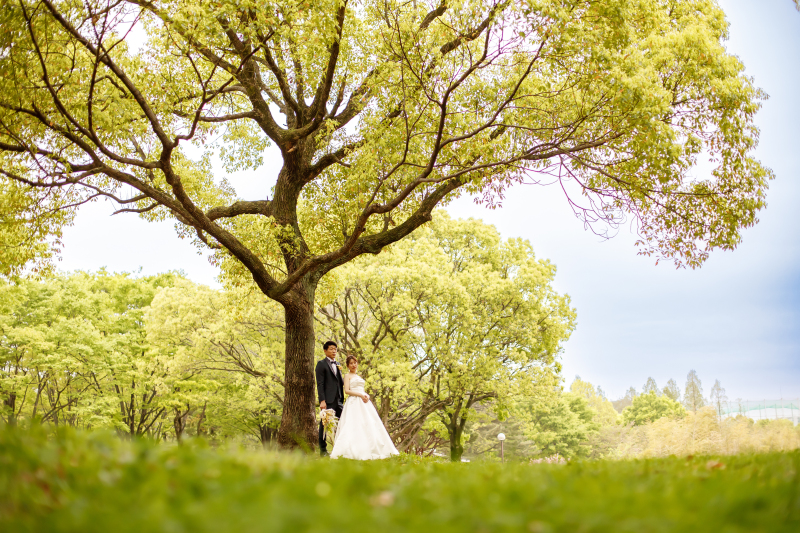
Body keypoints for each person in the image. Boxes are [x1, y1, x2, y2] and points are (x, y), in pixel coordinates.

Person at [330, 355, 399, 460]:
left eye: (355, 363)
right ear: (348, 365)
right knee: (354, 424)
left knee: (369, 424)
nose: (353, 365)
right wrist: (360, 395)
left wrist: (367, 395)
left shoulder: (359, 376)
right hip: (353, 402)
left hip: (364, 401)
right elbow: (347, 391)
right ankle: (352, 450)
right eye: (351, 363)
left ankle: (371, 448)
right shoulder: (347, 376)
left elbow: (361, 389)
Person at [315, 341, 343, 456]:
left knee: (343, 422)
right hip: (327, 400)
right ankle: (323, 450)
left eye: (335, 349)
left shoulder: (338, 364)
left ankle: (341, 448)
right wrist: (322, 400)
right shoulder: (321, 364)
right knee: (324, 425)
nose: (334, 351)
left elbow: (339, 382)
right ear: (325, 350)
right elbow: (320, 384)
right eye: (331, 349)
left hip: (339, 399)